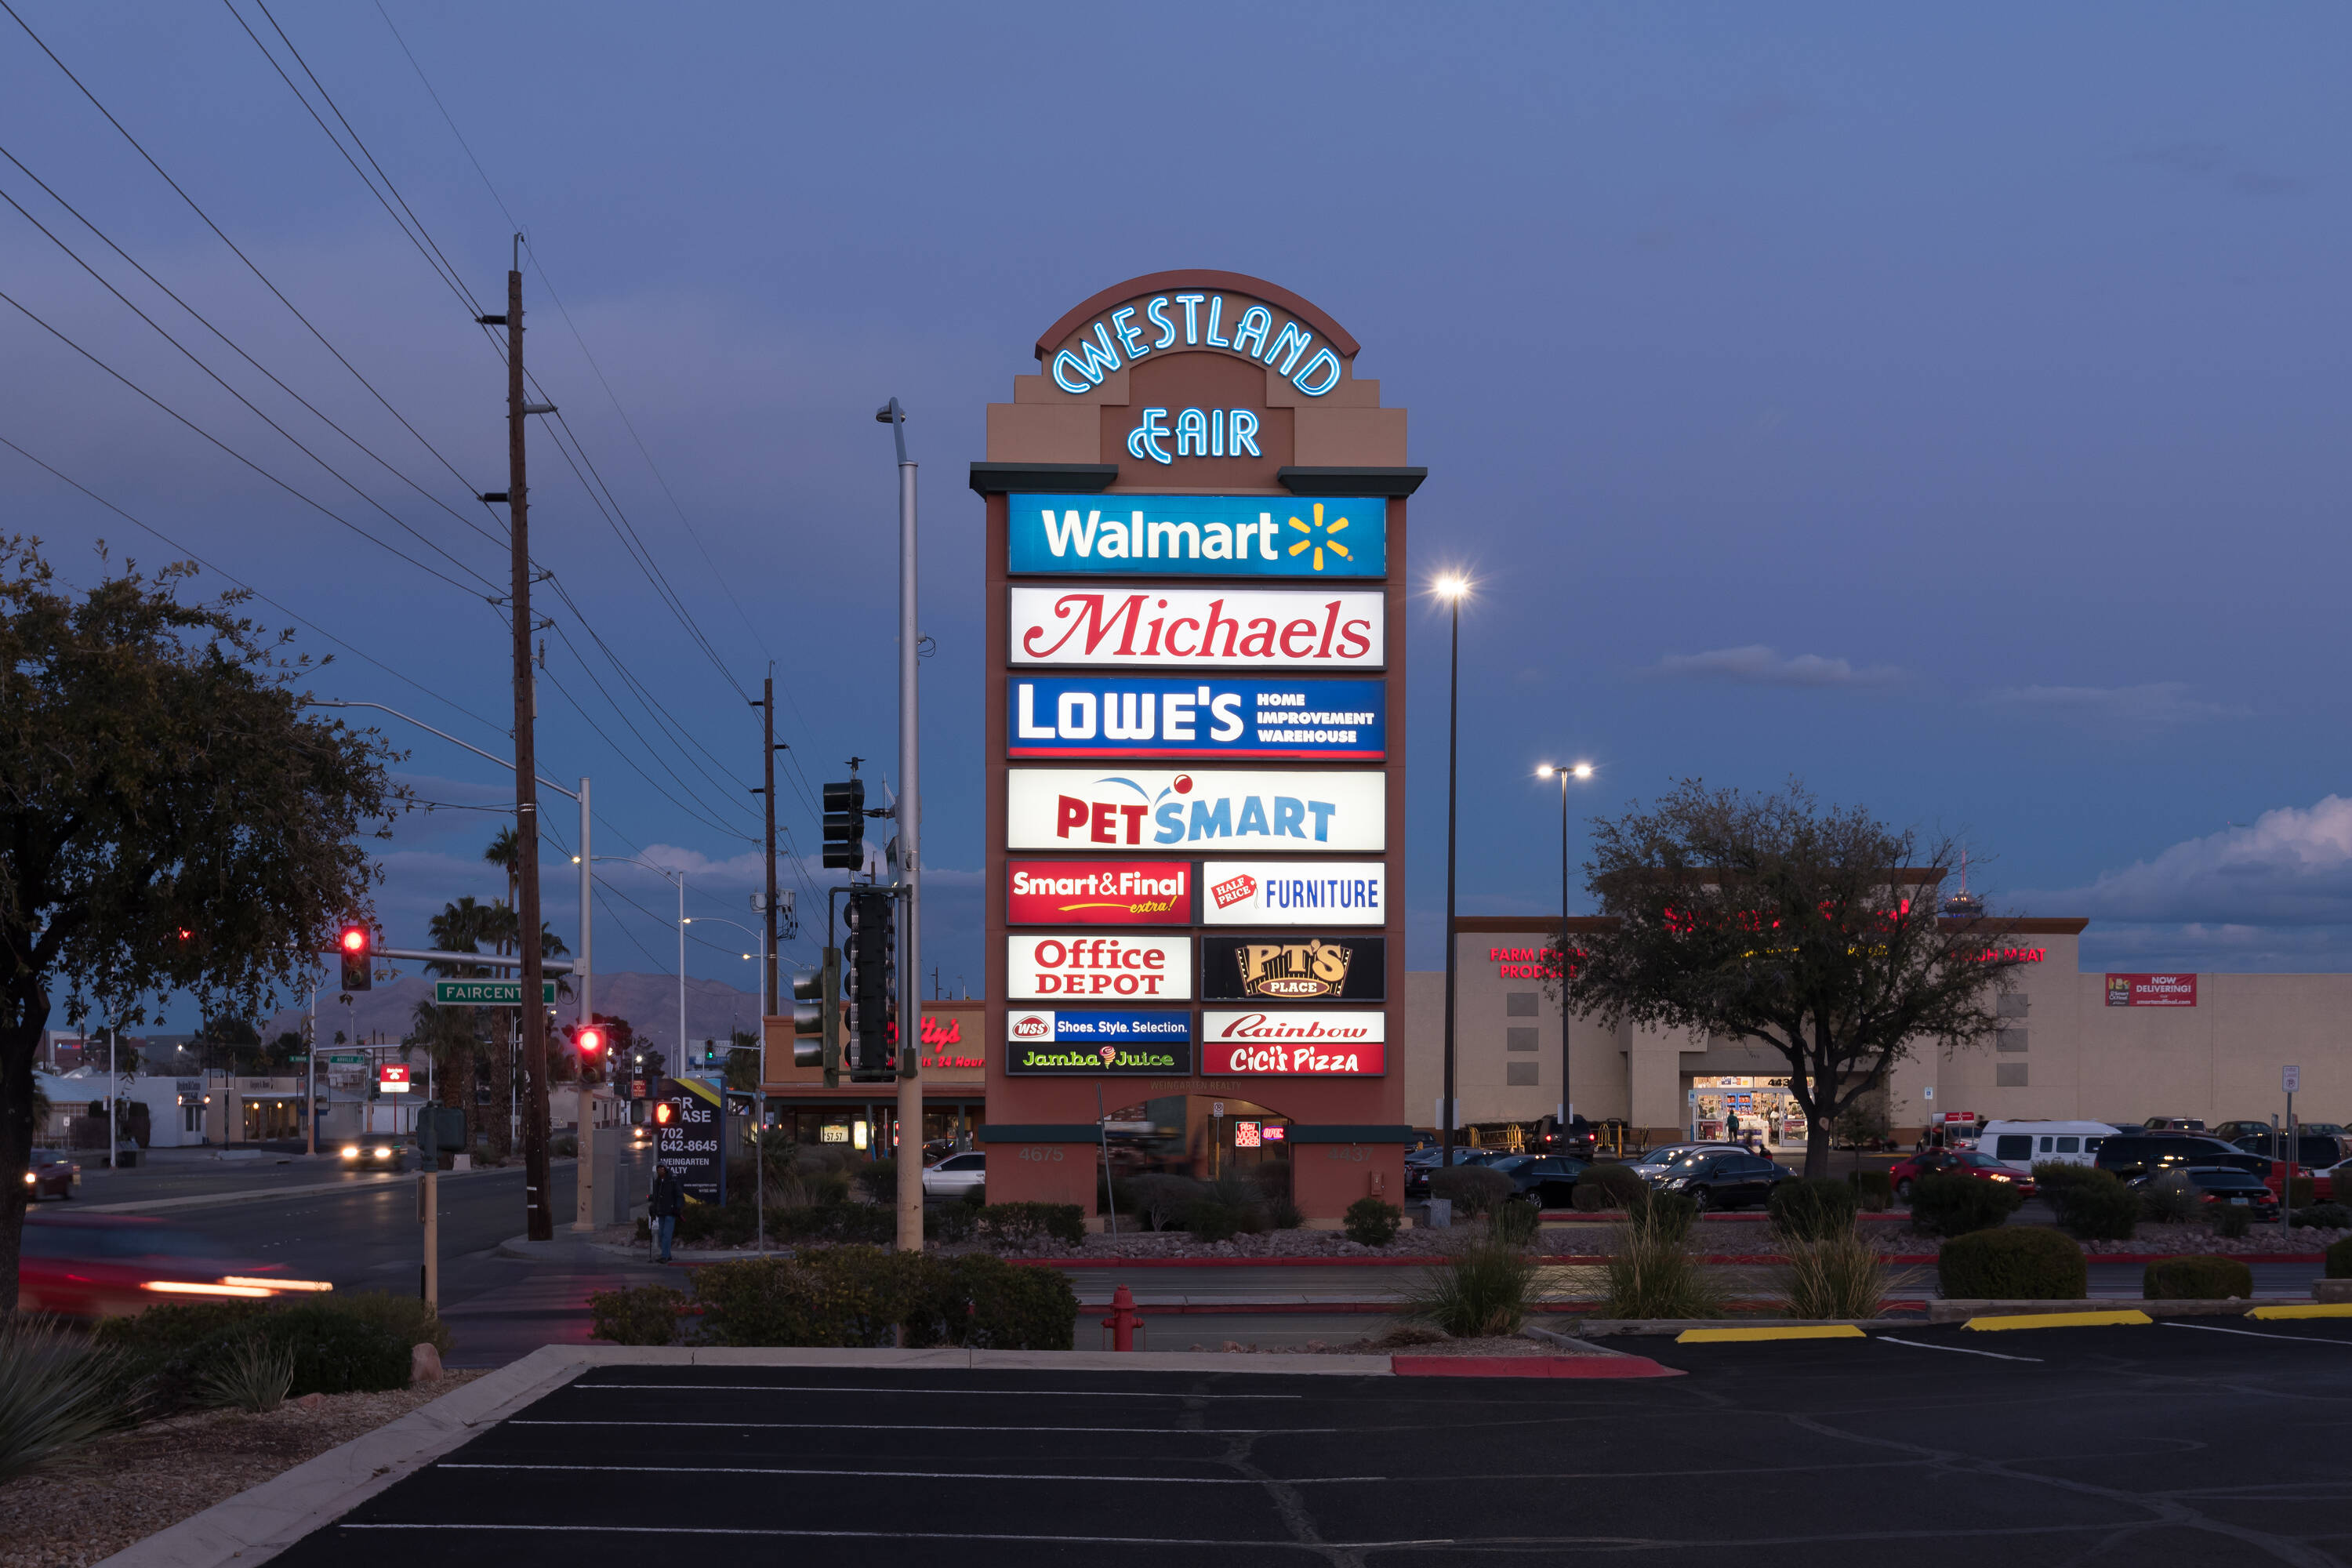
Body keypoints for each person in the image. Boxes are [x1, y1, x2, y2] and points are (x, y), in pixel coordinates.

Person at [648, 1162, 684, 1262]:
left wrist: (677, 1207)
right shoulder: (657, 1182)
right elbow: (656, 1197)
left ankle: (665, 1256)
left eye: (662, 1169)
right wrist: (653, 1208)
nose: (660, 1171)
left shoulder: (672, 1180)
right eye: (658, 1169)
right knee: (661, 1234)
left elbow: (679, 1195)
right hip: (661, 1212)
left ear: (665, 1169)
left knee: (667, 1234)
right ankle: (668, 1255)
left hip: (670, 1211)